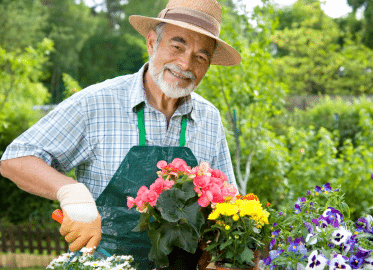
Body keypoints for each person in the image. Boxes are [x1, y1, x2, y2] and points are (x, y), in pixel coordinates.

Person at [0, 0, 241, 268]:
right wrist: (72, 193)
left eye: (201, 56)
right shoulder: (97, 103)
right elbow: (16, 159)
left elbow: (229, 203)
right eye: (177, 46)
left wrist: (228, 247)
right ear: (152, 43)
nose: (185, 63)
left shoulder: (209, 118)